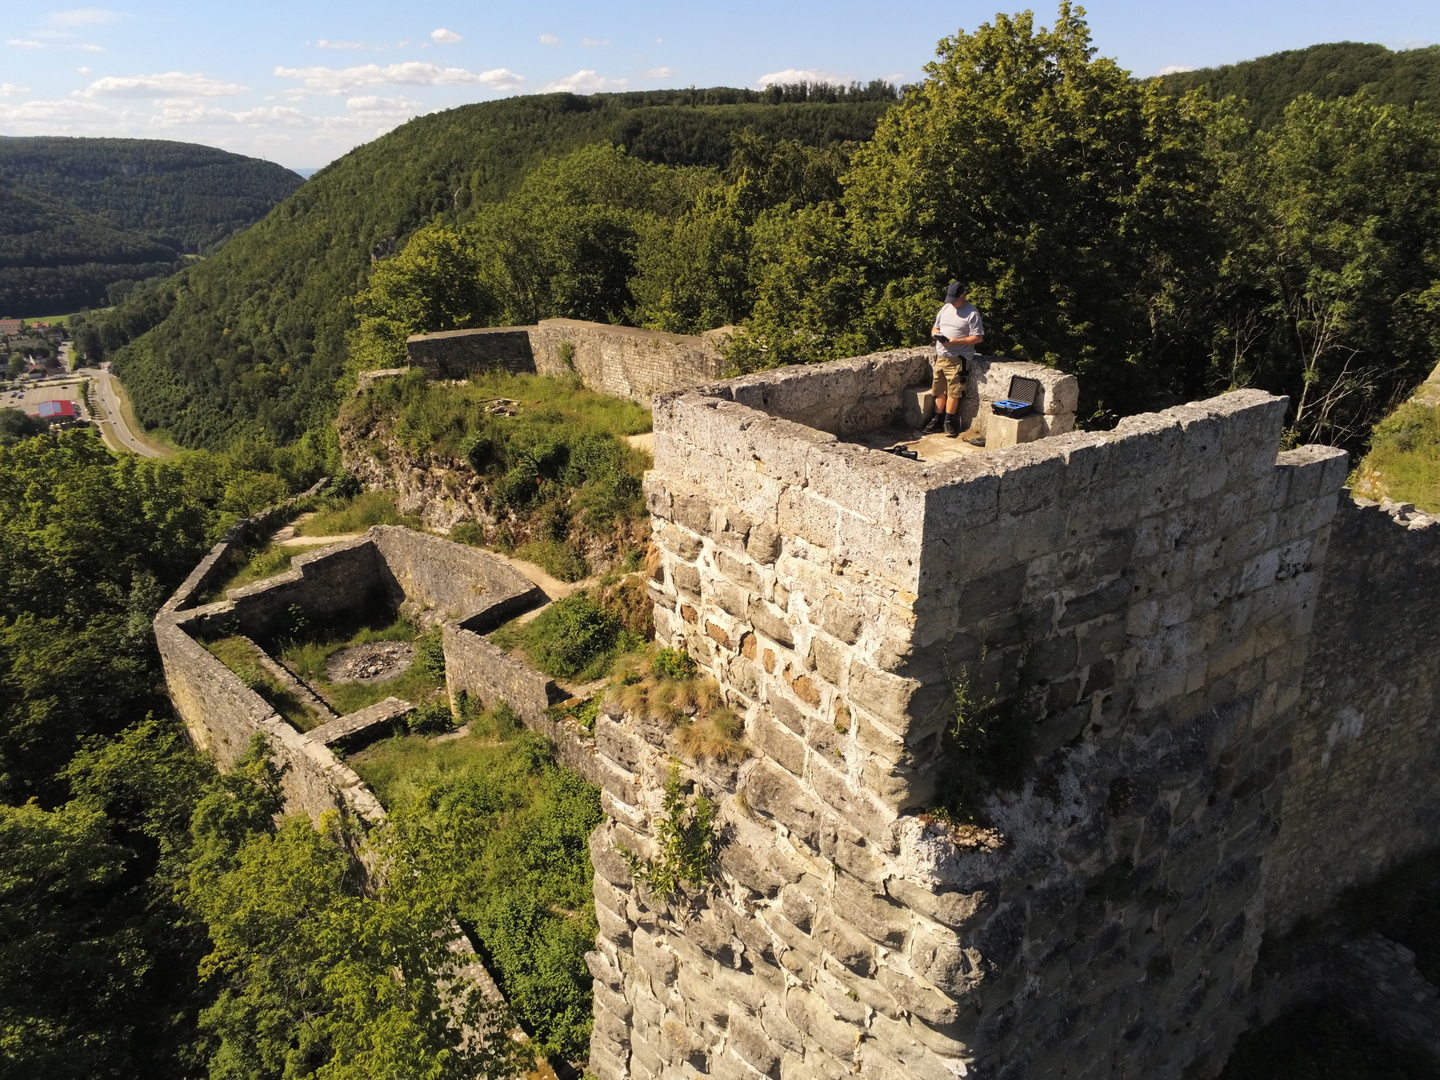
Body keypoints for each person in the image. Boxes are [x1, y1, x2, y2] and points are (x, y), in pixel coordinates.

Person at [924, 280, 984, 438]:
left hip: (959, 358)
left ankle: (948, 421)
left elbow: (978, 338)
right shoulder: (945, 308)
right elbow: (935, 327)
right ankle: (937, 418)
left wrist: (955, 342)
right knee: (939, 390)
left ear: (963, 296)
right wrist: (935, 335)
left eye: (954, 300)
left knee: (954, 391)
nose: (951, 303)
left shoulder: (972, 313)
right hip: (941, 356)